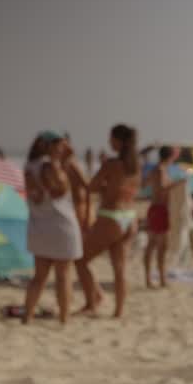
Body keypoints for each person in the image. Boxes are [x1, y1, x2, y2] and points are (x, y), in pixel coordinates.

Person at [76, 123, 141, 318]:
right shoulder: (136, 165)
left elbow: (90, 186)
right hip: (130, 217)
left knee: (80, 260)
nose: (108, 141)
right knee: (119, 269)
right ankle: (118, 311)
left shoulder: (112, 164)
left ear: (119, 141)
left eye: (111, 138)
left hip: (111, 216)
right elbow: (125, 189)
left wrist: (76, 169)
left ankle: (93, 300)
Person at [22, 131, 84, 325]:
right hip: (61, 225)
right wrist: (66, 163)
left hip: (39, 226)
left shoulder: (29, 166)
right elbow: (62, 191)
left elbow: (37, 196)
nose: (63, 149)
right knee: (63, 276)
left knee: (39, 277)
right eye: (61, 145)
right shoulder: (51, 166)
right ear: (50, 146)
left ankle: (27, 316)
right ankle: (64, 318)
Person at [144, 145, 179, 288]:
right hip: (159, 210)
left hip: (156, 209)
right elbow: (162, 189)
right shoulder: (160, 170)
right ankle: (161, 279)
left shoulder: (156, 170)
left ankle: (151, 279)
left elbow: (144, 184)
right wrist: (177, 183)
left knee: (152, 245)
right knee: (160, 246)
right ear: (170, 156)